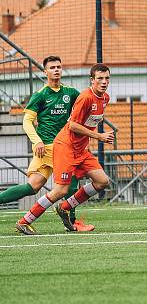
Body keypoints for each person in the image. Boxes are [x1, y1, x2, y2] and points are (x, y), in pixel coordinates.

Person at [16, 64, 114, 235]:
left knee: (102, 181)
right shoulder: (85, 97)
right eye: (100, 78)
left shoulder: (105, 98)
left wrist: (87, 141)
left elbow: (87, 123)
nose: (104, 82)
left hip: (81, 149)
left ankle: (65, 207)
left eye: (107, 78)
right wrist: (99, 136)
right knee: (61, 189)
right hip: (65, 147)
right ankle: (25, 221)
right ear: (92, 80)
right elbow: (74, 125)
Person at [1, 56, 95, 232]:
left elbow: (80, 116)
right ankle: (72, 223)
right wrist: (36, 141)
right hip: (50, 146)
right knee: (71, 183)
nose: (56, 70)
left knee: (33, 186)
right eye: (52, 67)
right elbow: (27, 121)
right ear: (45, 72)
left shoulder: (71, 93)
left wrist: (84, 140)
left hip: (60, 146)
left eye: (59, 67)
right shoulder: (40, 95)